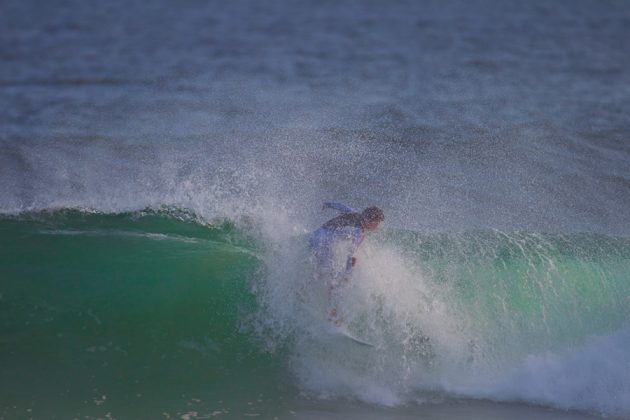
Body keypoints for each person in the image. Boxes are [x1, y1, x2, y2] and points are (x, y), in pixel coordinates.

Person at [309, 202, 384, 324]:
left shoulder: (352, 212)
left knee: (323, 272)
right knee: (333, 280)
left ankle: (301, 291)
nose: (377, 226)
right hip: (322, 244)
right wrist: (348, 273)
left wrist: (326, 204)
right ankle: (332, 317)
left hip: (316, 235)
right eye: (377, 223)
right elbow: (351, 255)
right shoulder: (359, 232)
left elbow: (340, 206)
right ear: (371, 222)